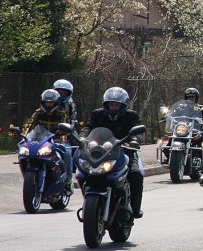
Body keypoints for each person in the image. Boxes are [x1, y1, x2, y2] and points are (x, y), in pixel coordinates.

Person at [80, 87, 144, 218]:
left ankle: (135, 208)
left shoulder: (131, 116)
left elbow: (137, 129)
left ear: (123, 105)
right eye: (111, 104)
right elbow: (88, 127)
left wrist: (135, 140)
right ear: (106, 104)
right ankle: (88, 198)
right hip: (99, 152)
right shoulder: (97, 114)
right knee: (82, 172)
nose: (114, 107)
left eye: (117, 105)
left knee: (136, 175)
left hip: (125, 152)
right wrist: (82, 137)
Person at [25, 89, 73, 194]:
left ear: (56, 102)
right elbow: (29, 126)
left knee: (67, 152)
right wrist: (24, 138)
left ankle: (68, 181)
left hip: (58, 141)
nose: (49, 104)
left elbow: (65, 129)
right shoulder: (38, 112)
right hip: (41, 141)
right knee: (25, 153)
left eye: (51, 102)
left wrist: (61, 141)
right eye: (47, 102)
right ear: (43, 102)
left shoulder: (62, 113)